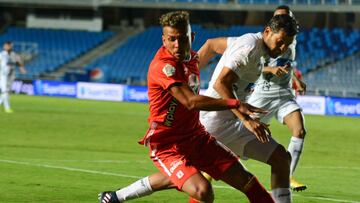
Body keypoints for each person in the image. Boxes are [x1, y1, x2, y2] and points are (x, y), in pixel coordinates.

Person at [99, 13, 298, 203]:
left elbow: (211, 45)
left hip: (198, 135)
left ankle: (115, 197)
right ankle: (117, 196)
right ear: (163, 39)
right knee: (201, 188)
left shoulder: (192, 59)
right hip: (170, 142)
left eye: (183, 39)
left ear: (192, 37)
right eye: (172, 39)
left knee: (249, 179)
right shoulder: (164, 66)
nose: (178, 46)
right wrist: (240, 108)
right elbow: (193, 100)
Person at [246, 5, 308, 192]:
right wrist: (270, 70)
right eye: (279, 18)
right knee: (240, 137)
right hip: (263, 94)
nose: (283, 21)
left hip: (284, 94)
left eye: (286, 18)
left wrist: (297, 79)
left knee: (299, 131)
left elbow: (287, 63)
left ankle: (286, 176)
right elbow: (252, 66)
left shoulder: (292, 39)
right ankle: (210, 169)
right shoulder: (264, 39)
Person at [0, 41, 26, 113]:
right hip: (2, 76)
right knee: (5, 91)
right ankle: (7, 108)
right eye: (6, 45)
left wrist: (21, 68)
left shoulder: (14, 54)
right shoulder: (2, 54)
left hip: (11, 75)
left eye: (8, 45)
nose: (7, 47)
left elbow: (18, 62)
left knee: (8, 92)